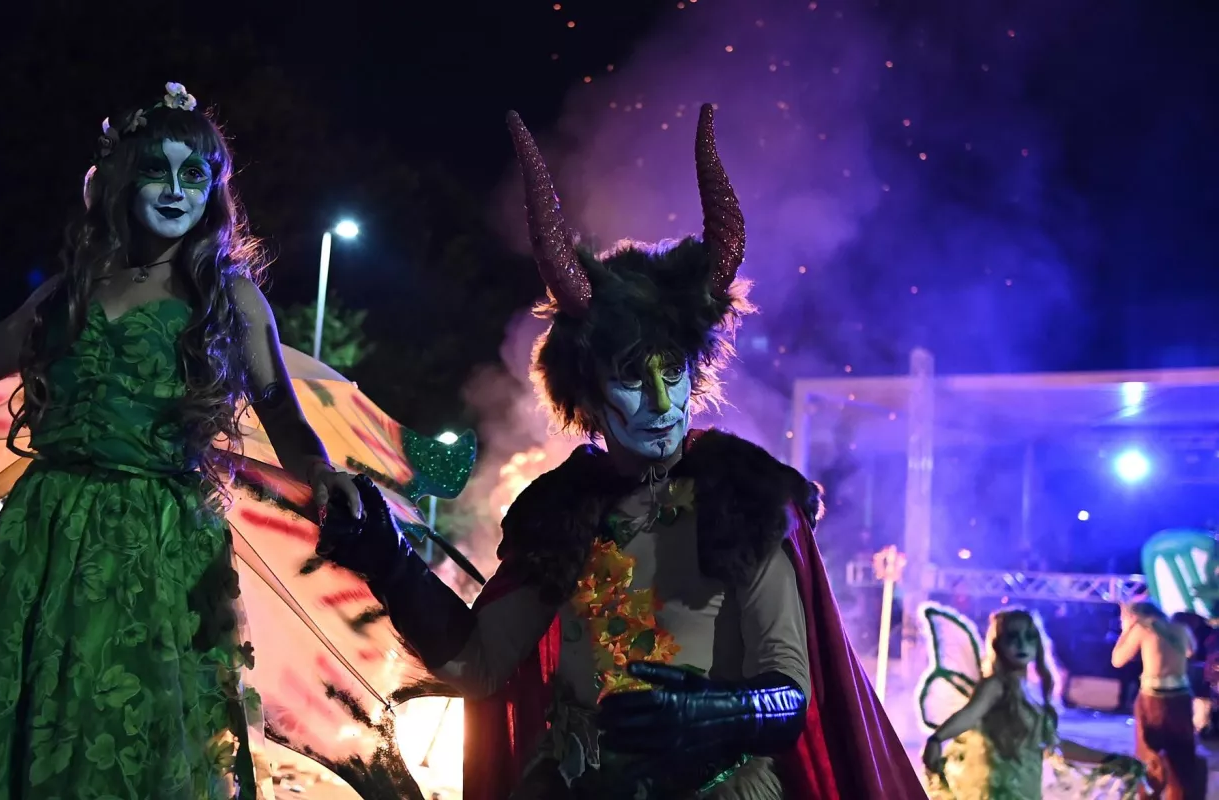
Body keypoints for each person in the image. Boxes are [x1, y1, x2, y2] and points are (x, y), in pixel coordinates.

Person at [317, 104, 924, 799]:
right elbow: (478, 665)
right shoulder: (563, 512)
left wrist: (718, 713)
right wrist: (390, 563)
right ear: (589, 391)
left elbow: (790, 696)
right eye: (635, 377)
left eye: (675, 372)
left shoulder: (743, 496)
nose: (664, 403)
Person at [0, 82, 361, 799]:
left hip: (151, 545)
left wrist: (320, 469)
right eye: (159, 170)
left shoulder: (226, 294)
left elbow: (280, 406)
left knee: (119, 729)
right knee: (7, 721)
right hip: (43, 534)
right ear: (122, 178)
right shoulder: (71, 290)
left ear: (214, 189)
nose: (178, 190)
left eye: (195, 173)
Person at [921, 607, 1142, 799]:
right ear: (998, 644)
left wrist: (1110, 759)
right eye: (1012, 637)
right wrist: (936, 739)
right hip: (996, 792)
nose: (1021, 644)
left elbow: (1054, 746)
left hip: (1024, 792)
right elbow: (970, 713)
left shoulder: (1028, 692)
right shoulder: (995, 685)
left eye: (1029, 637)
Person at [1113, 601, 1205, 799]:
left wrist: (1126, 631)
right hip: (1181, 696)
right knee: (1182, 755)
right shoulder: (1180, 628)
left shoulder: (1142, 628)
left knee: (1149, 755)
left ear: (1133, 616)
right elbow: (1190, 651)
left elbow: (1117, 660)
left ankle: (1149, 795)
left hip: (1154, 698)